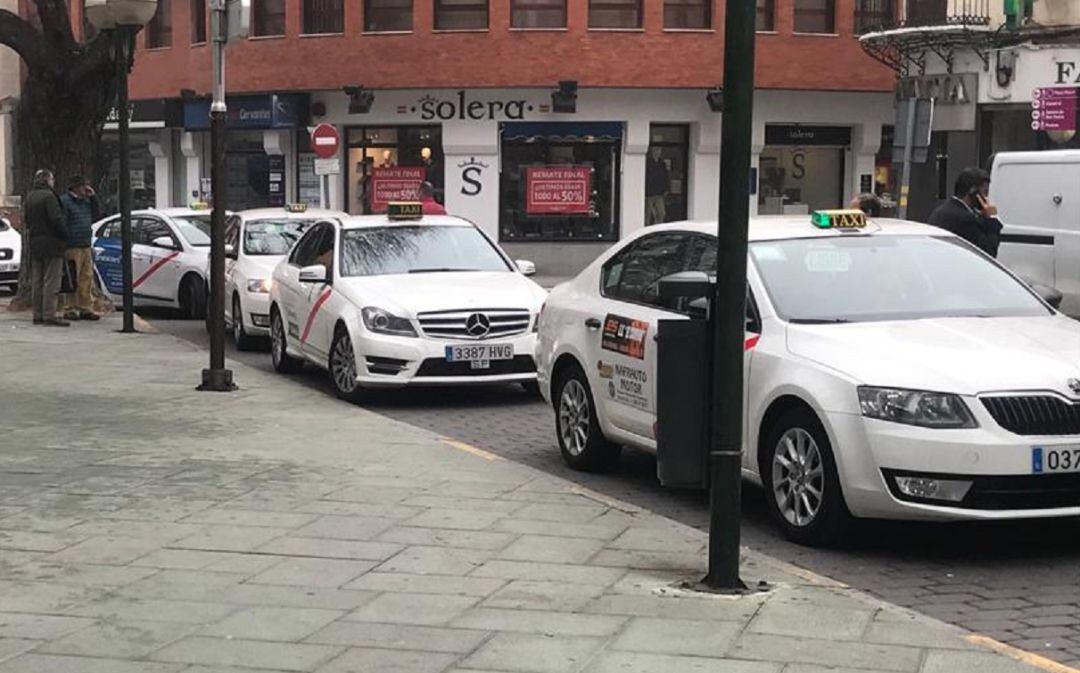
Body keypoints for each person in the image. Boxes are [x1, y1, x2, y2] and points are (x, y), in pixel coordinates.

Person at [25, 169, 69, 326]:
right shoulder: (49, 197)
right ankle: (49, 314)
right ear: (47, 180)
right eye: (52, 179)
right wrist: (65, 235)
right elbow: (56, 219)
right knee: (51, 280)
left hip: (36, 242)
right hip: (52, 242)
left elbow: (27, 220)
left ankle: (37, 313)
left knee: (37, 280)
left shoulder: (30, 196)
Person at [927, 167, 1003, 257]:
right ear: (973, 191)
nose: (986, 197)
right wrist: (992, 218)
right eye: (984, 192)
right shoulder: (966, 220)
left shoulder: (939, 212)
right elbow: (988, 253)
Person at [59, 175, 101, 321]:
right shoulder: (66, 202)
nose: (86, 189)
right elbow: (62, 222)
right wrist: (66, 238)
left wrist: (94, 198)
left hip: (85, 244)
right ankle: (70, 307)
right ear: (76, 187)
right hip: (72, 245)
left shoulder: (86, 202)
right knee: (72, 278)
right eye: (84, 186)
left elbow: (96, 215)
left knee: (86, 277)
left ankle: (85, 307)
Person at [645, 146, 670, 225]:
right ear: (652, 152)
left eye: (659, 151)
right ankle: (646, 231)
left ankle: (657, 228)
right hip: (648, 193)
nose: (657, 152)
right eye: (655, 151)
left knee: (661, 213)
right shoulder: (647, 163)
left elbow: (666, 177)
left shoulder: (662, 163)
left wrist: (666, 188)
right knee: (648, 214)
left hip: (659, 193)